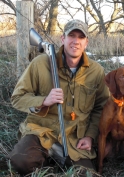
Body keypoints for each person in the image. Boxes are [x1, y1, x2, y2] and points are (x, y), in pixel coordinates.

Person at [7, 19, 109, 175]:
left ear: (86, 42)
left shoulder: (96, 71)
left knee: (86, 174)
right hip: (41, 131)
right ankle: (44, 158)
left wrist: (90, 136)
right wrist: (43, 101)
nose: (76, 41)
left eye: (81, 37)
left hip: (74, 139)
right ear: (63, 38)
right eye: (71, 36)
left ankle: (53, 160)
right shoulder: (41, 63)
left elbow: (101, 107)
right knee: (21, 161)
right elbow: (17, 98)